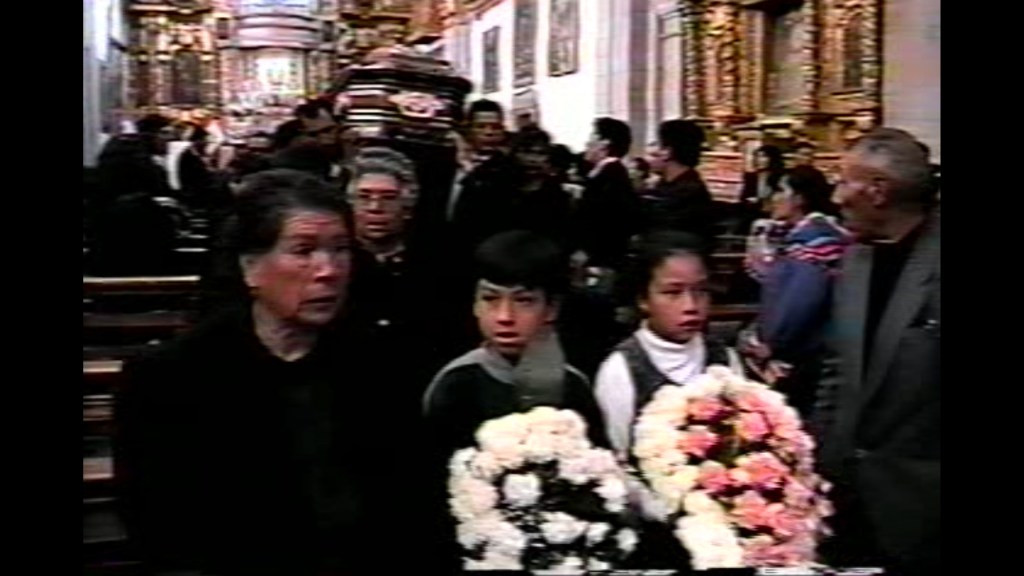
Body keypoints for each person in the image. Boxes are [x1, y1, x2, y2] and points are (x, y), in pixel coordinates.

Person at [115, 169, 373, 575]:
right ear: (251, 267)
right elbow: (160, 528)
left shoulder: (377, 365)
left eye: (340, 249)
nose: (329, 270)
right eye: (304, 251)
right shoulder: (171, 378)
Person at [421, 230, 610, 571]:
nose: (504, 316)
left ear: (551, 308)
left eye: (523, 301)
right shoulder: (455, 385)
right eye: (490, 299)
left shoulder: (574, 386)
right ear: (474, 305)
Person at [813, 128, 940, 575]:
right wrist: (818, 456)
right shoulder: (855, 258)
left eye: (843, 180)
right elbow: (837, 367)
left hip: (921, 505)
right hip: (845, 498)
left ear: (878, 191)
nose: (835, 196)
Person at [594, 230, 742, 570]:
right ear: (644, 299)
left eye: (700, 291)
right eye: (672, 293)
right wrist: (670, 508)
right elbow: (616, 465)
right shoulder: (621, 370)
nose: (690, 305)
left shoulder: (725, 361)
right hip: (655, 538)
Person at [739, 165, 851, 416]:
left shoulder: (812, 243)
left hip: (801, 354)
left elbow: (801, 302)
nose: (774, 197)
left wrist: (772, 343)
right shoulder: (814, 237)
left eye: (781, 190)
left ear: (799, 199)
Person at [640, 120, 716, 245]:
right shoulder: (668, 185)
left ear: (667, 152)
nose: (648, 154)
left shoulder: (687, 192)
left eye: (655, 144)